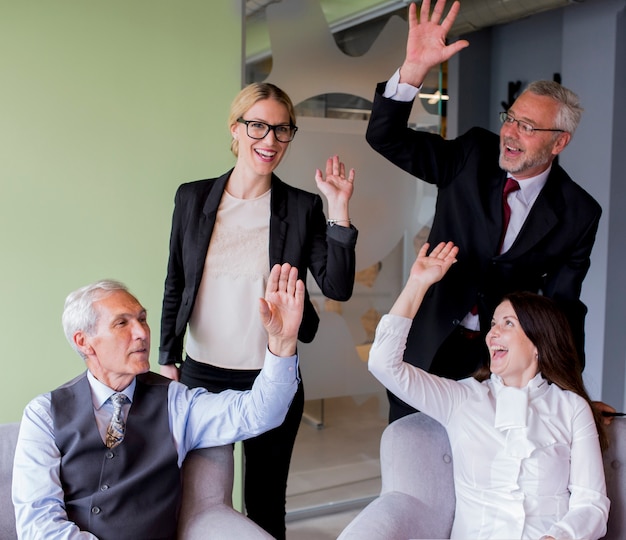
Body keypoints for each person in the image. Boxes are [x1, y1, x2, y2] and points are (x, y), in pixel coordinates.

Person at [366, 0, 606, 422]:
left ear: (559, 142)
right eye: (510, 118)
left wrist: (574, 395)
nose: (510, 133)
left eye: (528, 128)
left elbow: (565, 306)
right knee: (412, 463)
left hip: (499, 368)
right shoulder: (472, 154)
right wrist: (413, 70)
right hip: (427, 348)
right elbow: (385, 137)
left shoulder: (579, 212)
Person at [159, 82, 358, 538]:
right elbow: (175, 281)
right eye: (258, 126)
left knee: (266, 502)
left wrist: (339, 208)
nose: (270, 141)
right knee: (196, 499)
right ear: (236, 128)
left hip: (271, 376)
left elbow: (337, 286)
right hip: (200, 377)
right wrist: (167, 360)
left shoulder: (302, 206)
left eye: (282, 130)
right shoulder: (192, 198)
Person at [12, 264, 303, 540]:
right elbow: (38, 521)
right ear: (84, 341)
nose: (141, 333)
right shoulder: (44, 414)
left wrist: (282, 342)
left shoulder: (176, 401)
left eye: (141, 319)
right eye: (121, 323)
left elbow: (259, 413)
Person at [368, 241, 610, 540]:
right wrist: (417, 284)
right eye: (493, 323)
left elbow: (592, 504)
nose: (493, 332)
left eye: (508, 323)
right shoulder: (462, 398)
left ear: (539, 343)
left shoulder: (572, 408)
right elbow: (383, 364)